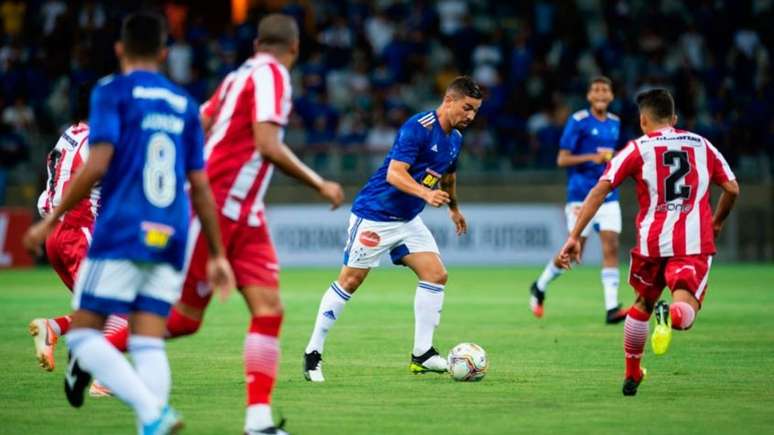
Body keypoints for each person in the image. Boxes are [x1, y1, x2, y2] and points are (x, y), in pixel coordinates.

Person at [102, 14, 343, 435]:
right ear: (295, 49)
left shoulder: (238, 76)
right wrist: (319, 183)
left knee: (269, 309)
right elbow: (268, 144)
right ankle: (95, 351)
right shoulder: (274, 76)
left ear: (255, 43)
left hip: (246, 214)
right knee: (183, 319)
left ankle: (259, 423)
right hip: (214, 206)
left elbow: (199, 120)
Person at [23, 12, 234, 434]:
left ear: (120, 50)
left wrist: (50, 221)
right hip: (169, 233)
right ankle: (151, 421)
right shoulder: (184, 104)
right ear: (164, 53)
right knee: (147, 339)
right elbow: (201, 185)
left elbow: (96, 164)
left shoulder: (110, 92)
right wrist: (216, 252)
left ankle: (152, 413)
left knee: (86, 336)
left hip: (122, 230)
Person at [557, 88, 739, 396]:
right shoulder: (702, 145)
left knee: (641, 305)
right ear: (675, 118)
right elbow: (732, 189)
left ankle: (632, 374)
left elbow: (599, 192)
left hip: (651, 244)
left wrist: (574, 236)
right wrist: (717, 221)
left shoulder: (636, 149)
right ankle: (669, 313)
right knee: (685, 312)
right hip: (692, 243)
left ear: (643, 121)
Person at [303, 76, 483, 383]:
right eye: (467, 108)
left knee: (436, 274)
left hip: (407, 220)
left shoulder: (455, 139)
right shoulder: (419, 127)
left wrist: (454, 208)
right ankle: (312, 354)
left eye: (476, 111)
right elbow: (394, 174)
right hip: (375, 215)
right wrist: (426, 194)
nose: (471, 116)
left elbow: (448, 175)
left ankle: (422, 354)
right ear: (449, 100)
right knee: (350, 281)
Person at [28, 81, 126, 397]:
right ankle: (102, 379)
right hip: (78, 235)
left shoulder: (67, 136)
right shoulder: (97, 142)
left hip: (58, 234)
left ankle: (53, 328)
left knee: (101, 310)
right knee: (122, 310)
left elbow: (49, 194)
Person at [529, 76, 628, 324]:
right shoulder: (578, 121)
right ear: (589, 96)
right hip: (581, 195)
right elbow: (562, 159)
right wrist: (590, 159)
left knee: (611, 245)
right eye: (596, 89)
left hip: (608, 194)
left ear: (611, 95)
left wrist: (613, 157)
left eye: (605, 89)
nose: (601, 93)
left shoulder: (615, 123)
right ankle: (540, 286)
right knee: (573, 251)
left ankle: (611, 307)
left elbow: (617, 155)